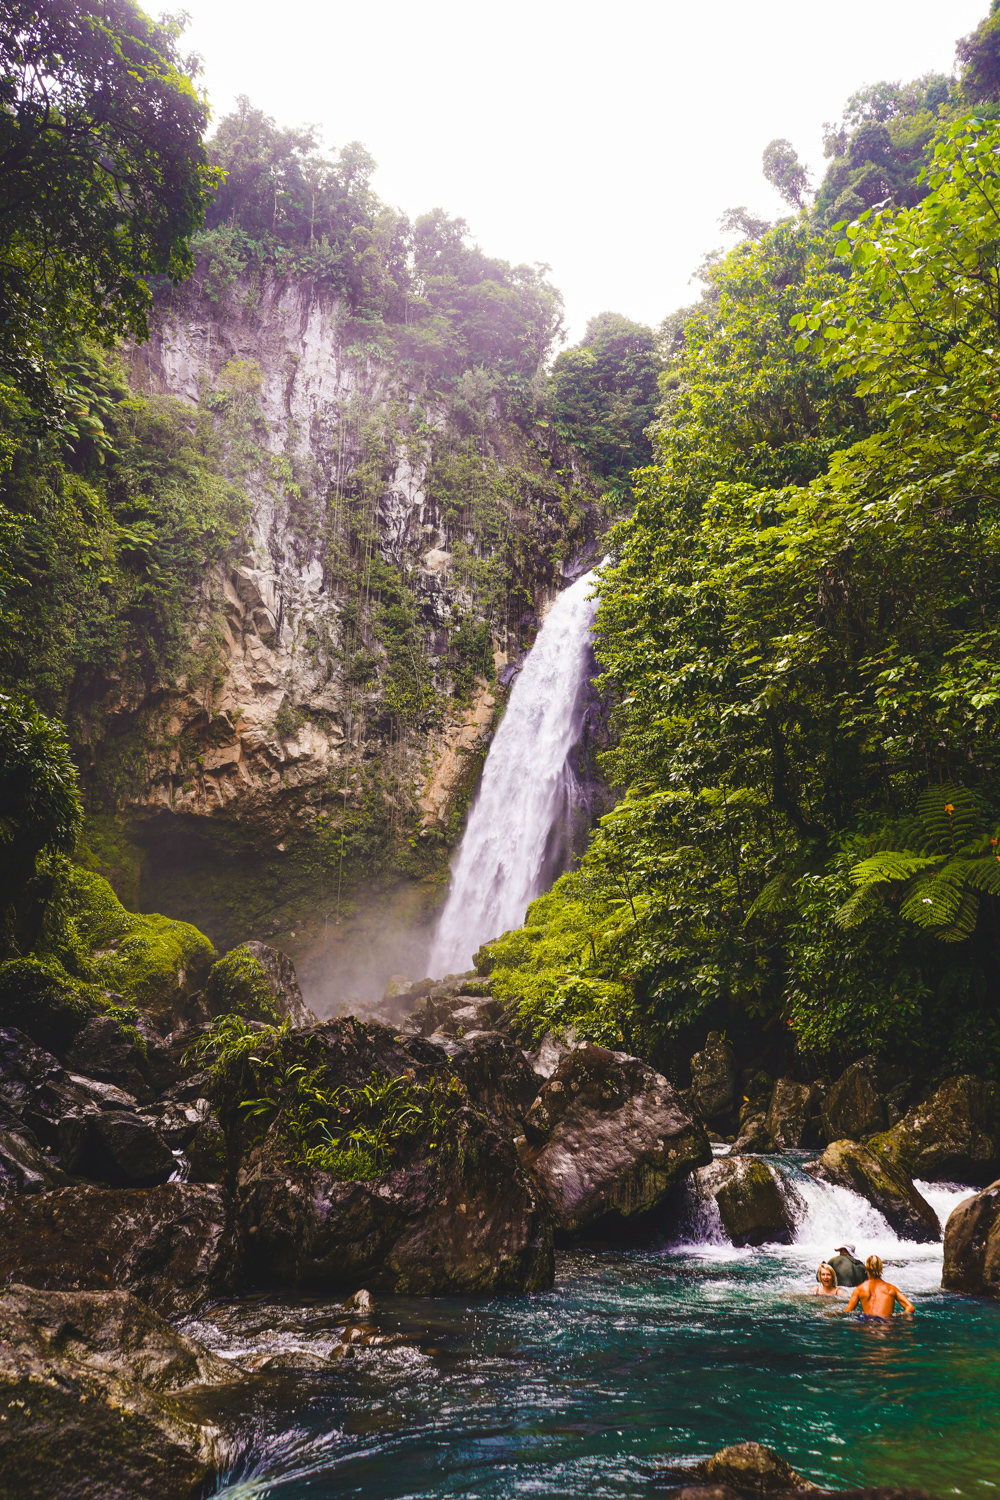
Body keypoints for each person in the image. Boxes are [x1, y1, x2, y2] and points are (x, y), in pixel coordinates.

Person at [844, 1255, 915, 1319]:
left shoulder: (859, 1289)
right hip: (886, 1323)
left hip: (868, 1323)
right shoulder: (891, 1289)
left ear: (866, 1268)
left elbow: (847, 1311)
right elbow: (910, 1308)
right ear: (881, 1268)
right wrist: (897, 1316)